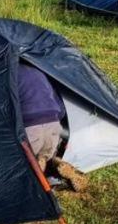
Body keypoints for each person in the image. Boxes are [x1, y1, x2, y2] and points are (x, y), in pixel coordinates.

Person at [18, 62, 87, 191]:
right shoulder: (39, 70)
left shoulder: (4, 73)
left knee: (26, 162)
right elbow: (61, 108)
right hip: (53, 125)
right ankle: (55, 163)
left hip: (30, 128)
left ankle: (41, 186)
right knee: (44, 155)